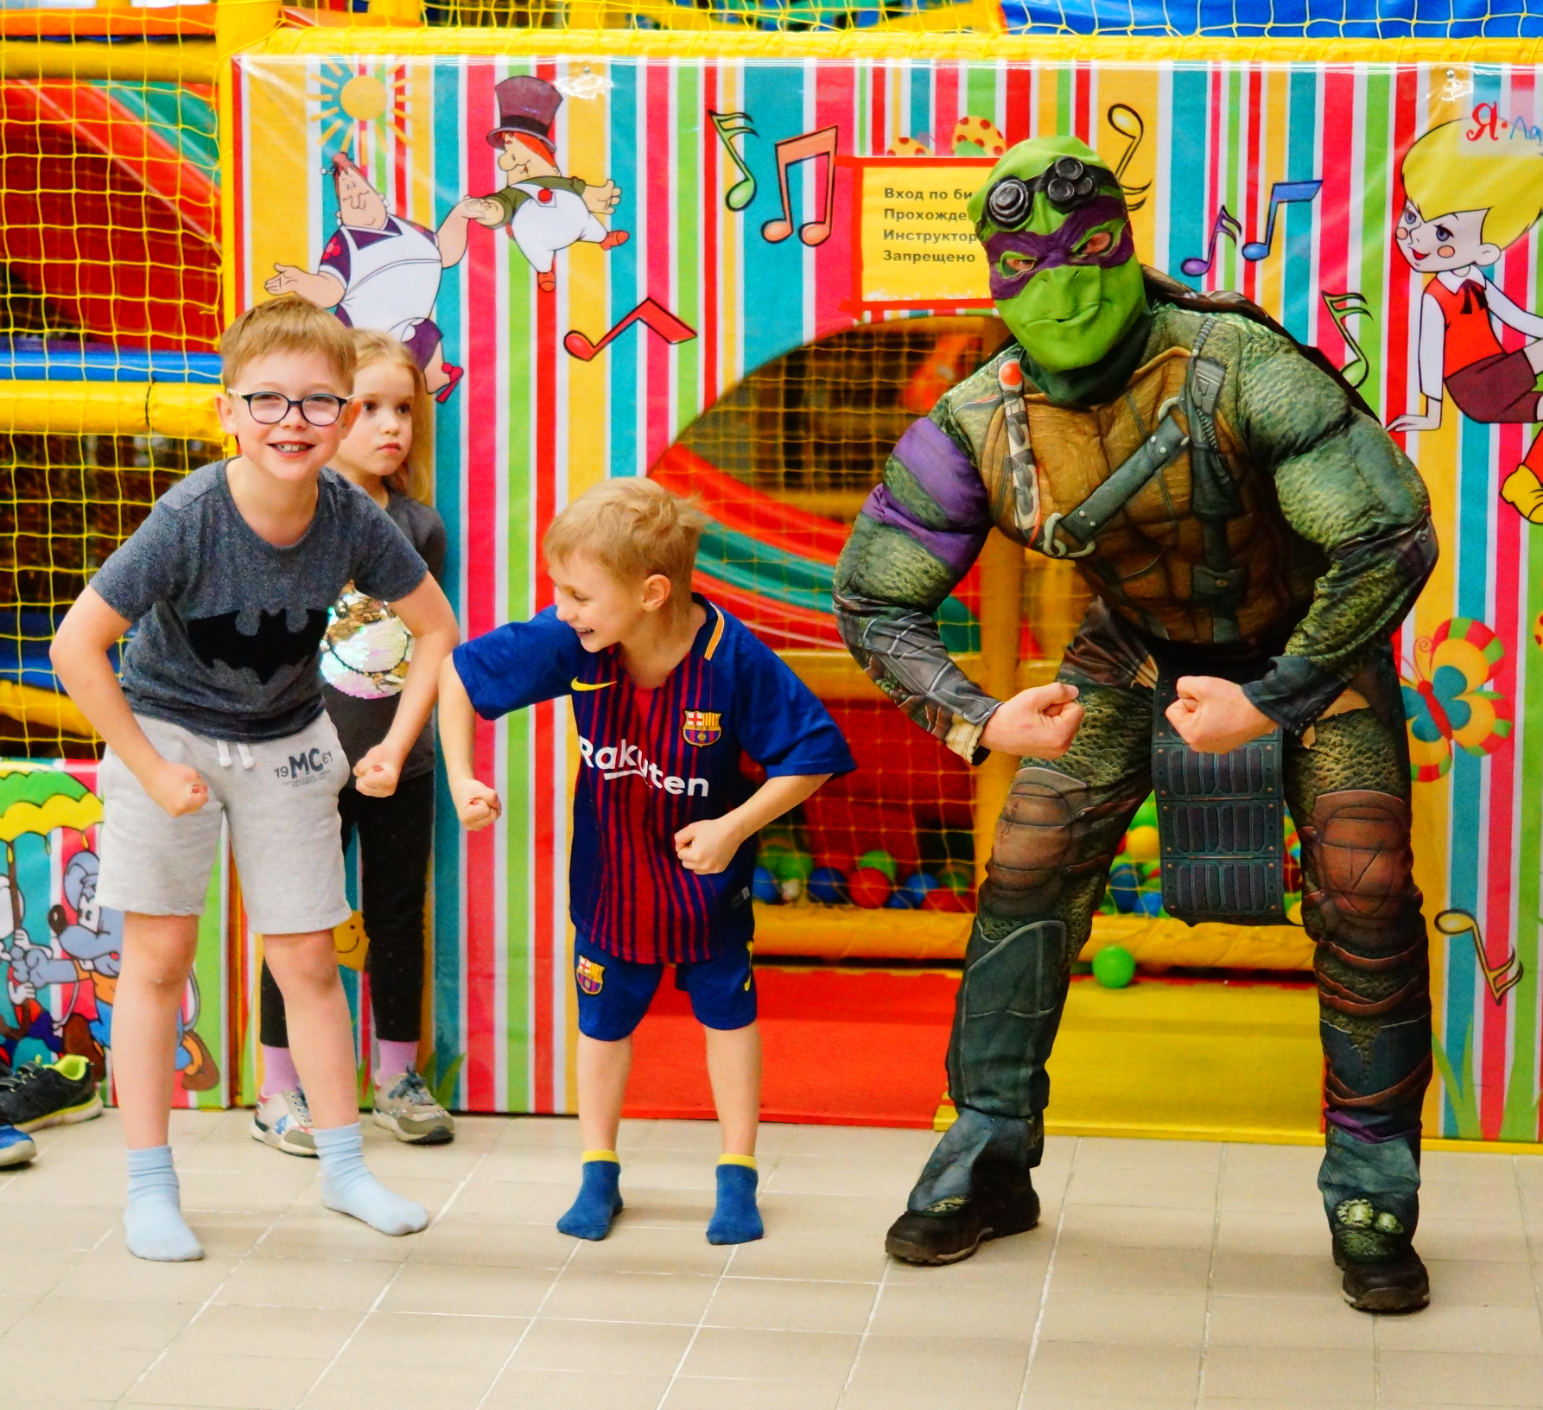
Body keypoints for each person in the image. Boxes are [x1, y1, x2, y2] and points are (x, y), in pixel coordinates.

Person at [833, 136, 1438, 1312]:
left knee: (1364, 886)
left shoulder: (1243, 366)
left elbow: (1385, 535)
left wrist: (1271, 698)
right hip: (1135, 651)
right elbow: (872, 594)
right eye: (1028, 269)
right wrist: (979, 715)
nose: (1061, 294)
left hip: (1310, 645)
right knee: (1028, 862)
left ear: (1121, 249)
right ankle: (986, 1160)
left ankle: (1373, 1191)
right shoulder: (978, 421)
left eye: (1084, 256)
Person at [49, 294, 460, 1261]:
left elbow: (437, 631)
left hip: (286, 736)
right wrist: (151, 769)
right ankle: (150, 1189)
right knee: (156, 962)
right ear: (228, 411)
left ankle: (345, 1169)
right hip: (167, 729)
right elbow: (75, 647)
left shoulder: (352, 518)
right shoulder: (190, 518)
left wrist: (394, 744)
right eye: (268, 400)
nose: (293, 421)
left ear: (343, 416)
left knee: (308, 961)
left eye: (319, 402)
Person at [440, 479, 853, 1243]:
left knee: (729, 1020)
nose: (562, 608)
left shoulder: (734, 660)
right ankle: (598, 1173)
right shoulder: (572, 641)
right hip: (611, 888)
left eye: (578, 594)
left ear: (652, 593)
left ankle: (737, 1173)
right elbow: (458, 676)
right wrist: (464, 776)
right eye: (558, 590)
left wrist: (733, 826)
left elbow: (815, 753)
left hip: (706, 893)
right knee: (601, 1028)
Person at [253, 329, 454, 1157]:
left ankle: (398, 1077)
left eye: (403, 410)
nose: (390, 426)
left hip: (398, 759)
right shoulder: (289, 518)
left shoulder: (419, 526)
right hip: (301, 763)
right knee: (297, 921)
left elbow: (431, 644)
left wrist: (398, 749)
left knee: (399, 914)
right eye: (369, 407)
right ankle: (278, 1087)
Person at [1385, 117, 1543, 519]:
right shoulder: (1436, 297)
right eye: (1412, 216)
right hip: (1478, 388)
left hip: (1497, 384)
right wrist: (1431, 413)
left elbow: (1518, 317)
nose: (1416, 237)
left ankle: (1526, 480)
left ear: (1487, 253)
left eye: (1442, 234)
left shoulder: (1476, 280)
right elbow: (1429, 356)